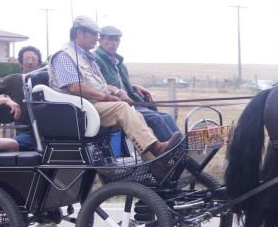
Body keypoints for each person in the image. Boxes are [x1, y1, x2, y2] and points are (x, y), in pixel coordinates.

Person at [48, 15, 181, 159]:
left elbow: (101, 85)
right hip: (77, 110)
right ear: (79, 33)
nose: (96, 38)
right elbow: (74, 87)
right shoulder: (64, 56)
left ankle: (155, 162)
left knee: (136, 114)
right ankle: (157, 148)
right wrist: (106, 97)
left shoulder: (85, 57)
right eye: (93, 34)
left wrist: (117, 92)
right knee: (122, 108)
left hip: (91, 105)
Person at [94, 25, 180, 141]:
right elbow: (99, 85)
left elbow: (121, 84)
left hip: (131, 102)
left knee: (167, 117)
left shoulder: (120, 64)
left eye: (116, 40)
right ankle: (173, 154)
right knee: (157, 118)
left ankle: (184, 150)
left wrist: (134, 87)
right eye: (109, 39)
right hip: (117, 106)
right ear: (100, 40)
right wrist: (118, 93)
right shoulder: (95, 60)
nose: (113, 43)